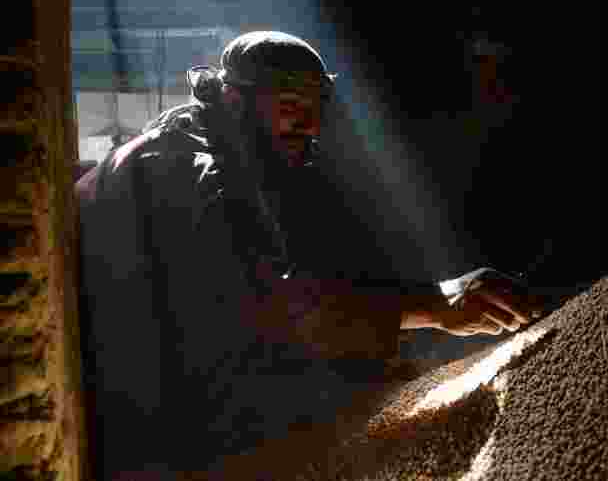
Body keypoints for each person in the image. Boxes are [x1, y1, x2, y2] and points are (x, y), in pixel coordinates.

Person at [75, 31, 545, 479]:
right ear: (236, 98)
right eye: (292, 106)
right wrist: (437, 304)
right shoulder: (188, 171)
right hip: (151, 439)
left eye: (317, 107)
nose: (311, 124)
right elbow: (273, 311)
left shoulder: (206, 140)